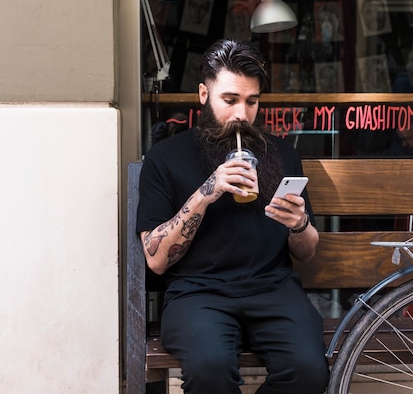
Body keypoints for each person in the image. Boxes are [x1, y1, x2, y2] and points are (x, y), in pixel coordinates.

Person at [136, 39, 329, 394]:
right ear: (203, 94)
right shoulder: (166, 158)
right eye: (230, 100)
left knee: (308, 372)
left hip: (273, 288)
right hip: (197, 294)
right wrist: (207, 192)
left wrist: (299, 224)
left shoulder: (283, 154)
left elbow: (307, 252)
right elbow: (156, 260)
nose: (242, 114)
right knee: (210, 370)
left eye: (251, 101)